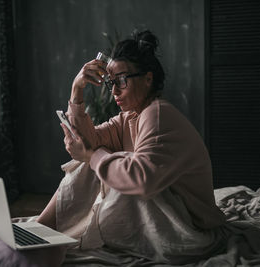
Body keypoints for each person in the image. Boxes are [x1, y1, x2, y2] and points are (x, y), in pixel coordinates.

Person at [37, 30, 226, 264]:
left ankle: (42, 230)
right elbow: (90, 142)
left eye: (122, 81)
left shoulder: (157, 115)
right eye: (111, 82)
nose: (114, 90)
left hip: (191, 231)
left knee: (104, 162)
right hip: (172, 217)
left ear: (148, 79)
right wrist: (77, 90)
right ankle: (41, 230)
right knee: (95, 159)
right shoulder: (130, 117)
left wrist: (91, 155)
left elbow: (141, 179)